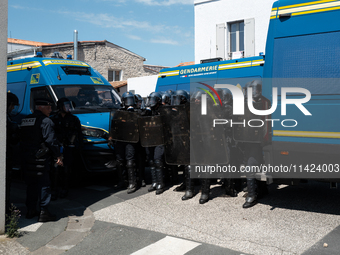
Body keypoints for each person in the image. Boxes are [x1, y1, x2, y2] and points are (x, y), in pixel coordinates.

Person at [20, 98, 63, 222]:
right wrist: (58, 155)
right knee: (44, 184)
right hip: (41, 158)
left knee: (31, 184)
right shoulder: (46, 121)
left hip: (27, 158)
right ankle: (44, 212)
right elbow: (51, 140)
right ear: (40, 107)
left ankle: (30, 210)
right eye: (48, 107)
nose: (50, 110)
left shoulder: (26, 120)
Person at [50, 98, 83, 199]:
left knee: (66, 169)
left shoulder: (74, 119)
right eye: (66, 105)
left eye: (69, 105)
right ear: (60, 107)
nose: (68, 107)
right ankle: (54, 190)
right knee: (55, 169)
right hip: (57, 147)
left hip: (69, 147)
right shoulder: (54, 118)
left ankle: (65, 189)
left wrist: (79, 147)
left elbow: (79, 134)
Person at [144, 92, 166, 195]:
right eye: (150, 100)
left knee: (157, 160)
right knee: (151, 161)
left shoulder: (162, 110)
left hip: (159, 139)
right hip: (149, 139)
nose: (151, 102)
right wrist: (146, 112)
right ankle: (154, 182)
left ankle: (160, 184)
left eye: (153, 100)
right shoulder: (148, 111)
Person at [6, 92, 20, 215]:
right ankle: (6, 209)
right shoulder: (6, 118)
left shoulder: (7, 117)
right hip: (6, 156)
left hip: (7, 155)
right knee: (6, 183)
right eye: (12, 106)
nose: (13, 108)